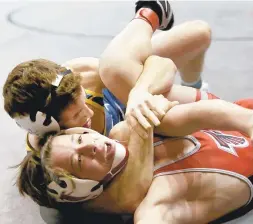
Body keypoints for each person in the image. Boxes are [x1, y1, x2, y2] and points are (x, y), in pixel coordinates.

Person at [3, 0, 211, 152]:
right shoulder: (51, 149)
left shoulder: (83, 74)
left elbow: (162, 66)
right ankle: (148, 15)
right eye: (76, 117)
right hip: (131, 117)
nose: (88, 113)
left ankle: (150, 17)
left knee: (200, 33)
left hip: (122, 89)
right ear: (52, 130)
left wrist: (139, 92)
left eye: (82, 101)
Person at [16, 92, 253, 224]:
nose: (92, 146)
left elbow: (208, 112)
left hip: (242, 113)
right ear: (80, 189)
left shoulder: (125, 132)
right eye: (79, 161)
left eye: (79, 140)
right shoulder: (155, 208)